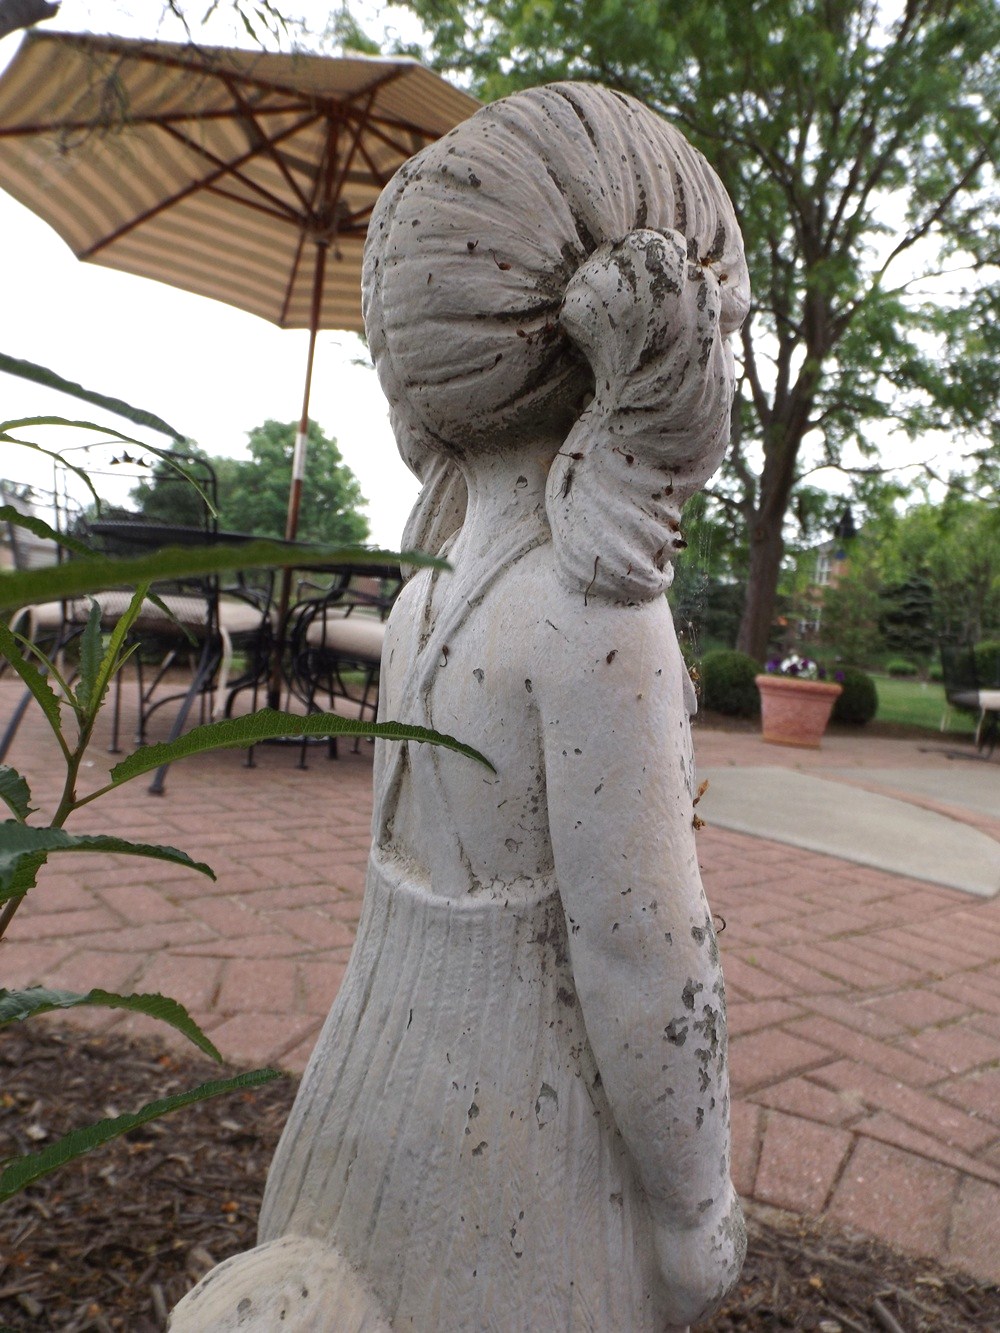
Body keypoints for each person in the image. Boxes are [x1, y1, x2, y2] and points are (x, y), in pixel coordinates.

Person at [170, 81, 750, 1333]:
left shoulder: (429, 583)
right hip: (525, 1185)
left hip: (370, 1093)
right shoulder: (596, 616)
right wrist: (697, 1203)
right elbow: (646, 955)